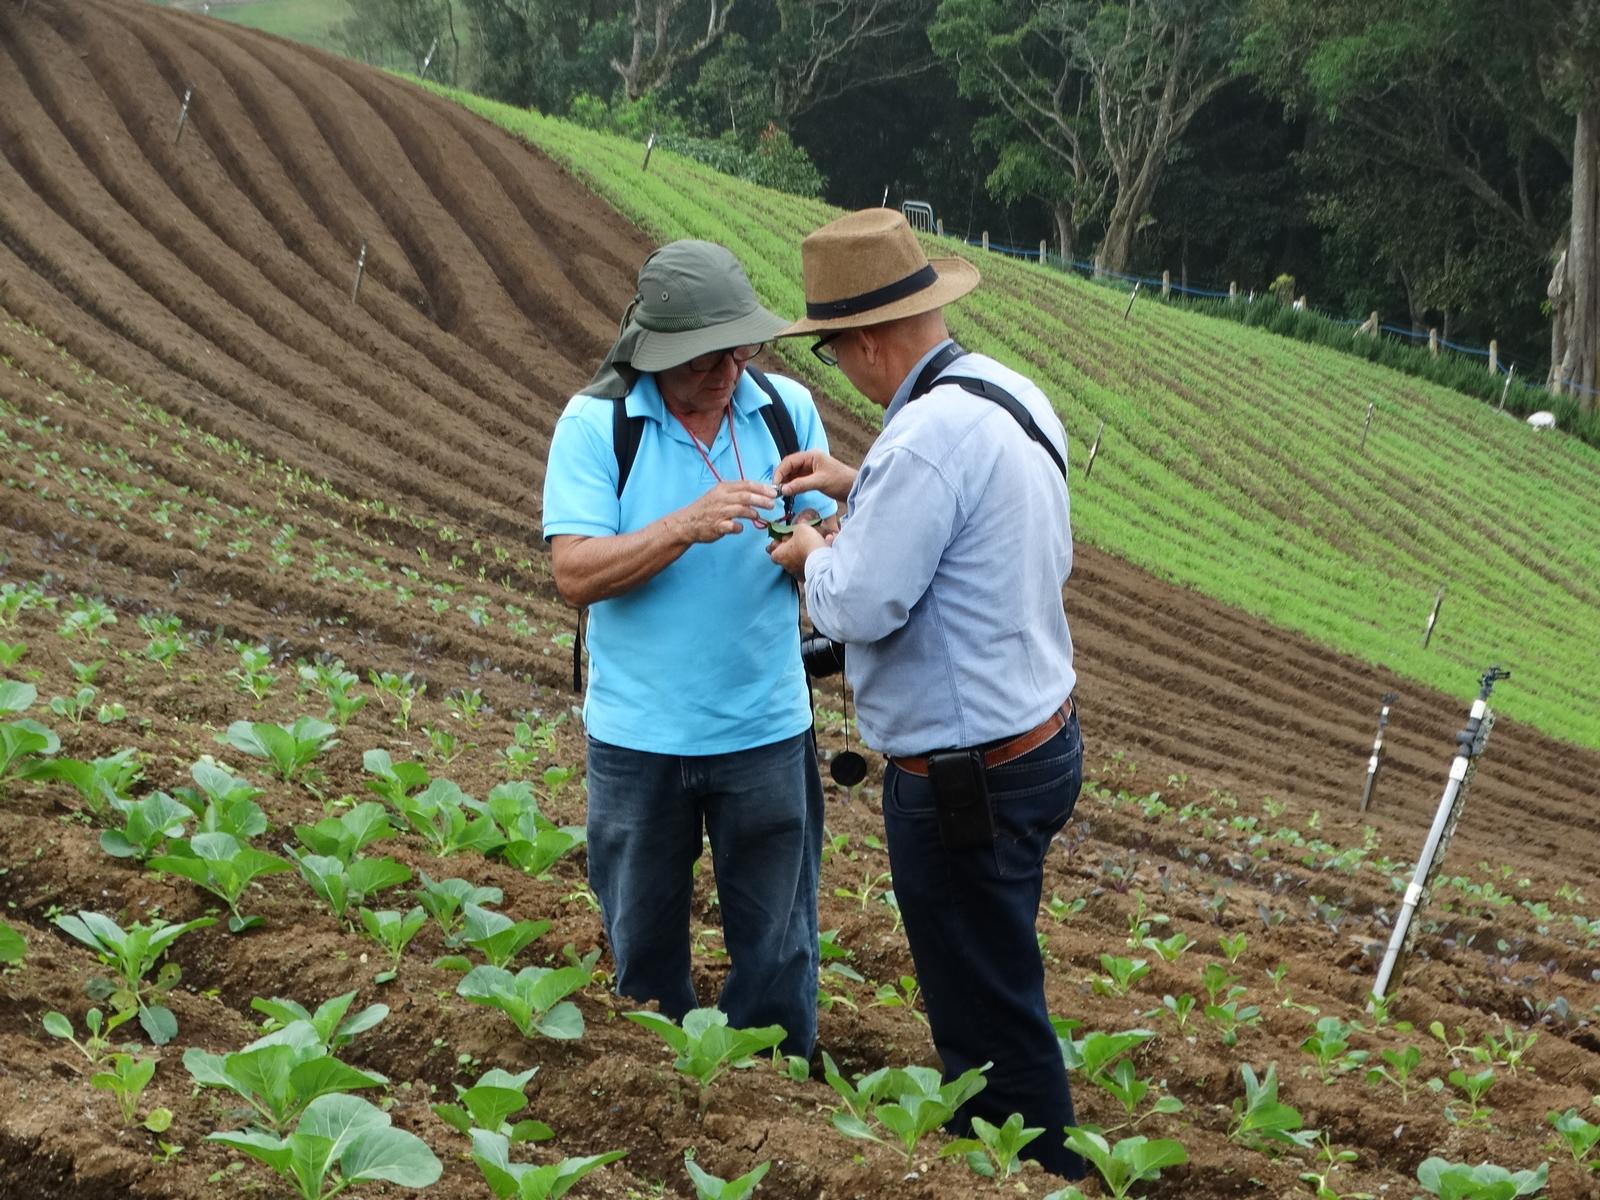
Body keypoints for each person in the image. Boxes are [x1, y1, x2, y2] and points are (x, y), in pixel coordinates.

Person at [767, 208, 1085, 1179]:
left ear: (865, 340)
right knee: (1000, 971)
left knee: (985, 1012)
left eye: (834, 353)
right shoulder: (1000, 391)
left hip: (962, 781)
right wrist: (862, 482)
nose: (840, 373)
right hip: (1039, 744)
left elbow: (860, 602)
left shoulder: (921, 441)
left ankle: (1036, 1173)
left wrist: (813, 553)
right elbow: (970, 503)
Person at [541, 240, 837, 1058]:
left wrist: (809, 539)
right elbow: (573, 571)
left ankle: (776, 1109)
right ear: (656, 350)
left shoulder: (785, 411)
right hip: (640, 745)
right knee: (642, 961)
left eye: (740, 349)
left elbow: (827, 525)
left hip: (767, 732)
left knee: (779, 958)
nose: (727, 370)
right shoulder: (597, 425)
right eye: (706, 356)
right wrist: (684, 525)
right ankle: (660, 1110)